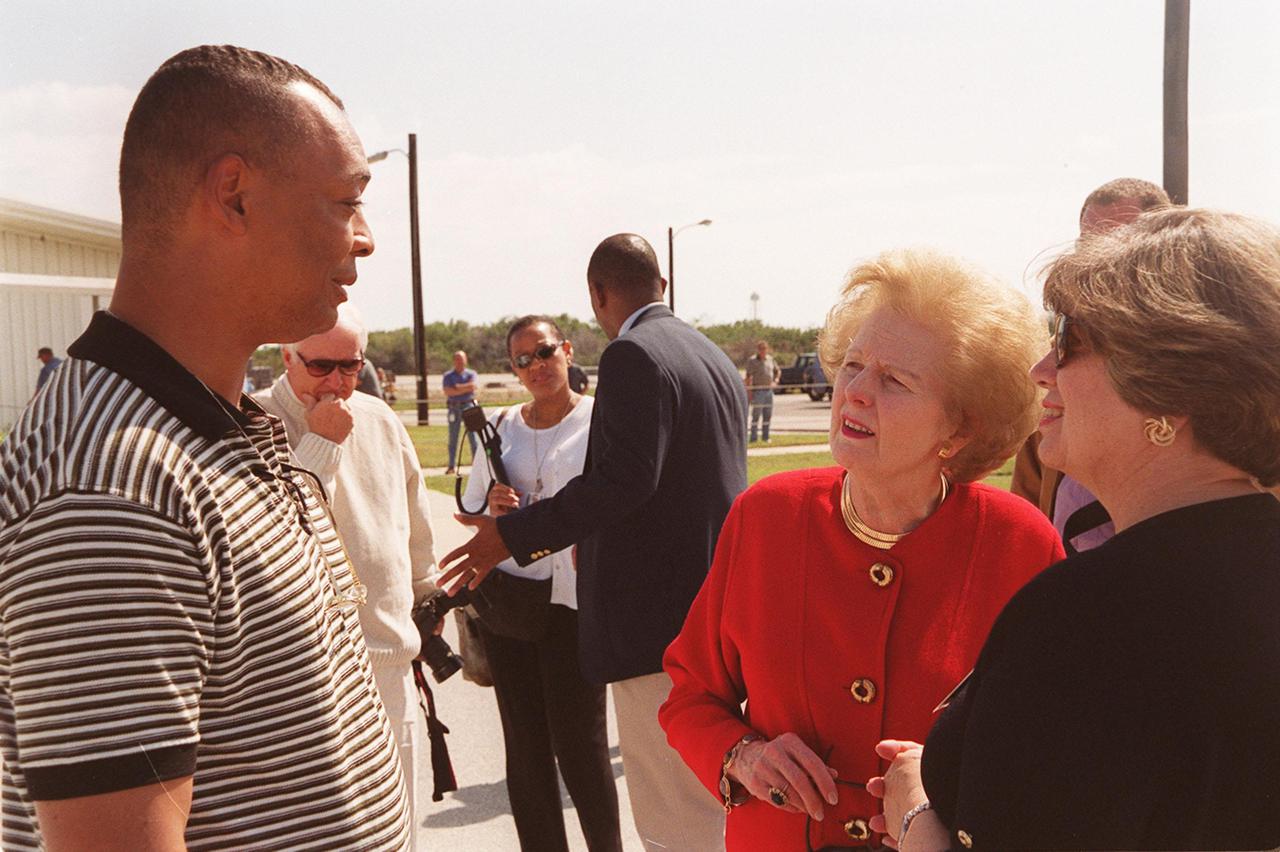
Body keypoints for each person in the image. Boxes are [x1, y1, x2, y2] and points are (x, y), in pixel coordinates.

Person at [0, 45, 411, 850]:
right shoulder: (110, 486)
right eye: (345, 201)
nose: (362, 239)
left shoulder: (222, 431)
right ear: (233, 195)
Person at [871, 209, 1280, 851]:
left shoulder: (1090, 619)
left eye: (1068, 339)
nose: (1041, 369)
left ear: (1168, 388)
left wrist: (914, 810)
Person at [659, 248, 1064, 850]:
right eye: (852, 365)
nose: (855, 392)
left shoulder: (1021, 543)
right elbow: (690, 695)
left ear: (960, 429)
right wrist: (743, 756)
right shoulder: (765, 515)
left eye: (895, 380)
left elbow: (1051, 741)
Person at [440, 233, 748, 851]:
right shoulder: (709, 354)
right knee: (709, 806)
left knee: (672, 822)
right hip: (715, 609)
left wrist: (516, 535)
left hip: (656, 623)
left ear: (597, 295)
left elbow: (624, 481)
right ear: (660, 285)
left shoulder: (633, 354)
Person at [254, 304, 437, 829]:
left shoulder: (379, 418)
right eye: (320, 367)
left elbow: (414, 522)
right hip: (306, 672)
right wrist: (321, 442)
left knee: (398, 824)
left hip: (388, 659)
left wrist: (426, 594)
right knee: (325, 830)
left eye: (350, 367)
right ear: (287, 355)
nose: (336, 381)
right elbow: (278, 530)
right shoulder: (253, 419)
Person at [461, 315, 622, 852]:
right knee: (525, 747)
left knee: (581, 744)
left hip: (574, 600)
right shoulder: (502, 424)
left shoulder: (600, 421)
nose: (537, 366)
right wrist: (492, 506)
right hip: (512, 600)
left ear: (568, 351)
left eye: (545, 352)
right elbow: (472, 510)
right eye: (523, 360)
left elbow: (618, 499)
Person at [1010, 177, 1171, 553]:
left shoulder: (1209, 380)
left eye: (1119, 242)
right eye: (1088, 245)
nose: (1099, 260)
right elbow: (1027, 520)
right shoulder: (1057, 368)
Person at [444, 349, 479, 473]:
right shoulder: (448, 376)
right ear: (454, 361)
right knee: (453, 438)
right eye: (457, 359)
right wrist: (465, 388)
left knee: (473, 437)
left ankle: (477, 465)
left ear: (466, 360)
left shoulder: (471, 374)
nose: (460, 362)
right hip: (454, 407)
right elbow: (448, 391)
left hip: (468, 406)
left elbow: (473, 386)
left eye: (462, 359)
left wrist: (458, 387)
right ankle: (451, 466)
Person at [743, 340, 780, 443]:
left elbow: (777, 371)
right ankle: (753, 438)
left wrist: (776, 381)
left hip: (769, 391)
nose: (763, 351)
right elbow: (748, 376)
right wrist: (749, 391)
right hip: (758, 390)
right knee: (756, 415)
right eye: (761, 349)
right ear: (758, 350)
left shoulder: (770, 359)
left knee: (767, 415)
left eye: (764, 348)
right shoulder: (752, 361)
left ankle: (766, 437)